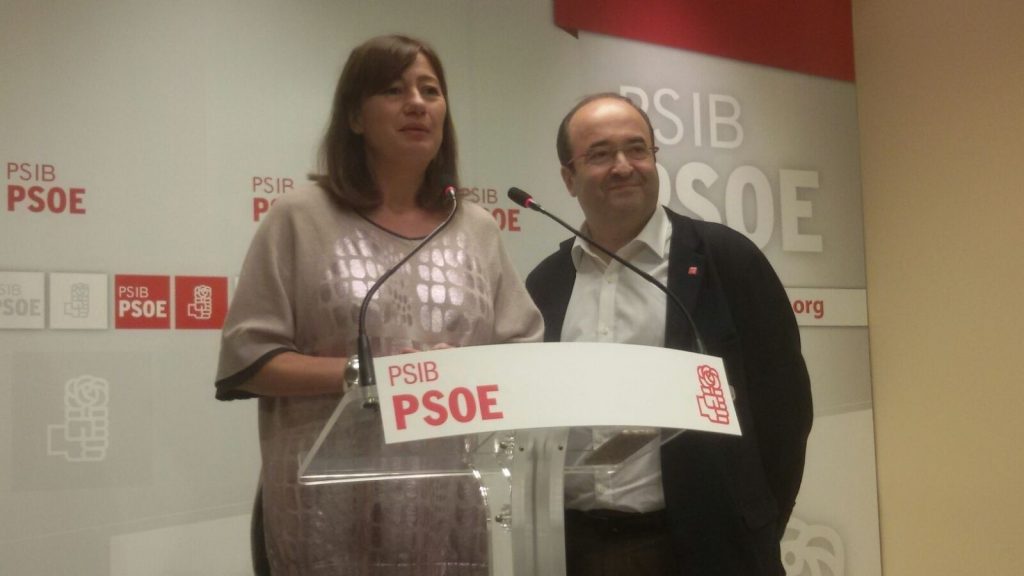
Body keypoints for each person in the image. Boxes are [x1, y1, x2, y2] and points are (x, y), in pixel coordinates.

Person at [215, 35, 543, 575]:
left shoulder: (475, 227)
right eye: (393, 90)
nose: (416, 103)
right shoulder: (300, 217)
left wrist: (465, 372)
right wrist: (370, 375)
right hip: (326, 511)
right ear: (355, 117)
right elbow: (249, 360)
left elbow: (522, 353)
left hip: (447, 508)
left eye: (430, 91)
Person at [525, 93, 813, 575]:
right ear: (568, 178)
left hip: (705, 552)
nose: (623, 166)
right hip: (575, 551)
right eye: (600, 154)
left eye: (637, 149)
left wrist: (753, 527)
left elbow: (784, 412)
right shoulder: (547, 284)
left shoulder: (727, 261)